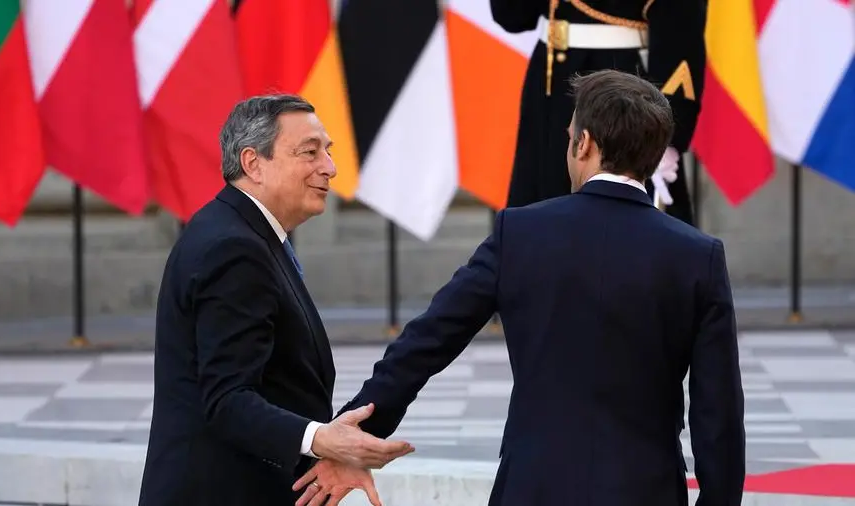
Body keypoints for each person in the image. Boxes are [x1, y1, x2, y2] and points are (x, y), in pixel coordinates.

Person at [296, 71, 746, 506]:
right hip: (646, 490)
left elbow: (427, 341)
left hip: (533, 487)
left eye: (570, 137)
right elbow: (719, 411)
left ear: (584, 144)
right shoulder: (697, 255)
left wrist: (354, 435)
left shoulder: (521, 233)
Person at [137, 95, 413, 506]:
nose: (330, 168)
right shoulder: (233, 248)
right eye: (310, 152)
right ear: (253, 163)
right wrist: (321, 439)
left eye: (328, 151)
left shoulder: (243, 232)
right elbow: (228, 400)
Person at [492, 0, 705, 225]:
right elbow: (512, 17)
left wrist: (669, 136)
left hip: (620, 89)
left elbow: (680, 27)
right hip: (550, 90)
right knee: (537, 216)